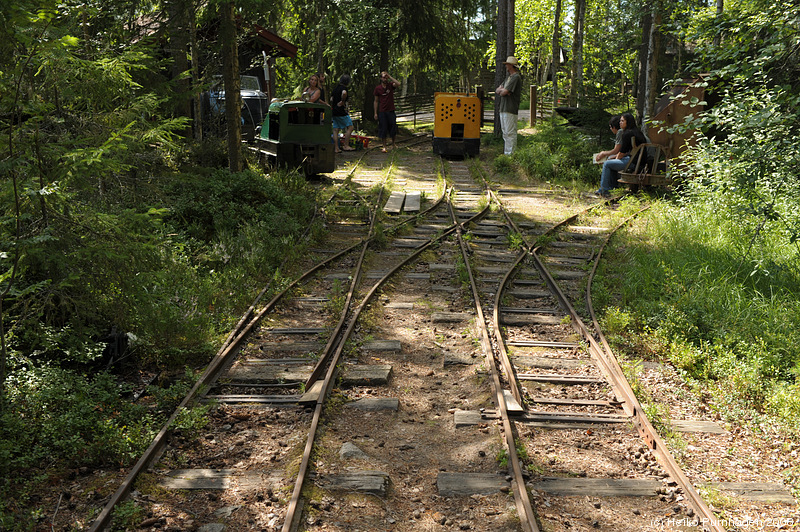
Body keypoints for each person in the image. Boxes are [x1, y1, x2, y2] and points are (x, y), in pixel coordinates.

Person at [596, 112, 647, 196]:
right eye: (620, 121)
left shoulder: (627, 133)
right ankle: (613, 187)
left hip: (634, 162)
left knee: (607, 164)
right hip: (639, 161)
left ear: (628, 122)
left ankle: (604, 190)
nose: (620, 123)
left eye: (622, 121)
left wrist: (613, 159)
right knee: (610, 162)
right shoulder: (637, 131)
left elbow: (622, 153)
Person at [495, 56, 523, 155]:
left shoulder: (515, 77)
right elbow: (498, 90)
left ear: (511, 65)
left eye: (507, 64)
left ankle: (511, 154)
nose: (506, 66)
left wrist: (504, 91)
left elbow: (503, 92)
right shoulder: (508, 78)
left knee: (510, 133)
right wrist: (503, 91)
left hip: (510, 109)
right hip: (503, 108)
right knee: (505, 133)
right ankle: (507, 153)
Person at [373, 71, 401, 152]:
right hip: (382, 111)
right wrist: (375, 113)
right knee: (383, 128)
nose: (385, 79)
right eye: (383, 77)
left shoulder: (391, 85)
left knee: (393, 127)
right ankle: (384, 146)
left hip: (391, 110)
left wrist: (390, 76)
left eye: (386, 77)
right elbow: (376, 101)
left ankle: (393, 143)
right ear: (381, 78)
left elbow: (398, 84)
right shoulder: (377, 88)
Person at [331, 74, 355, 153]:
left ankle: (336, 148)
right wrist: (342, 101)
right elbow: (344, 93)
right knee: (350, 127)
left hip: (334, 111)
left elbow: (331, 99)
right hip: (341, 111)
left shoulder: (335, 88)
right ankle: (346, 145)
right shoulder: (344, 88)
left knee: (335, 130)